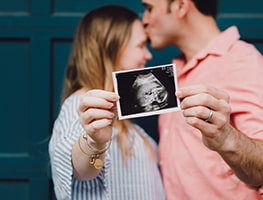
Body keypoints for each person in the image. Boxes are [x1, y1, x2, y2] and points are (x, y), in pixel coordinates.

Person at [141, 0, 263, 199]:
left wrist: (225, 138)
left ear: (181, 6)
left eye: (149, 8)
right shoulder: (172, 73)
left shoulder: (242, 61)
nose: (143, 20)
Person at [49, 4, 166, 200]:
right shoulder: (81, 108)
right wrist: (95, 143)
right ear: (111, 49)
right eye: (140, 45)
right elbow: (84, 170)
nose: (148, 55)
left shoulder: (123, 120)